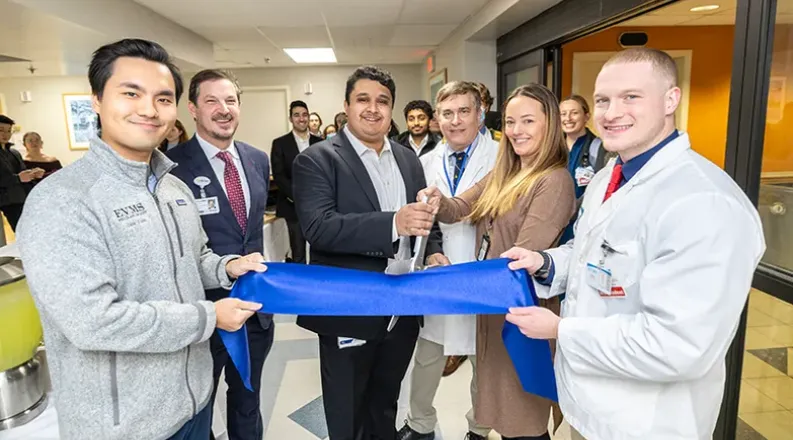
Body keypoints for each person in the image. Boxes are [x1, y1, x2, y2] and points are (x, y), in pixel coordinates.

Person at [502, 48, 766, 440]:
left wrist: (562, 329)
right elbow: (595, 253)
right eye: (603, 100)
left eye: (631, 97)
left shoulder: (703, 202)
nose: (611, 112)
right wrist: (545, 263)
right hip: (590, 409)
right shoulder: (614, 175)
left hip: (648, 421)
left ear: (671, 100)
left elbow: (678, 345)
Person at [16, 38, 267, 440]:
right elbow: (92, 321)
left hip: (194, 407)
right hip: (124, 426)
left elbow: (195, 257)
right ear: (96, 100)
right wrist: (208, 317)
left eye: (162, 98)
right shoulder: (62, 200)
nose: (149, 109)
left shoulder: (173, 188)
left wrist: (226, 266)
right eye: (131, 93)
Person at [292, 65, 447, 440]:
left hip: (402, 309)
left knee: (385, 402)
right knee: (347, 411)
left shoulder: (407, 158)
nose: (373, 109)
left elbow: (425, 217)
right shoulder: (317, 159)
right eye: (363, 99)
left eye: (383, 101)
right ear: (346, 105)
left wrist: (434, 252)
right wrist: (394, 223)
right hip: (350, 309)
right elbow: (319, 227)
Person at [419, 83, 575, 440]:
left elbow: (518, 261)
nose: (517, 130)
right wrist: (435, 199)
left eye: (528, 121)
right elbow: (460, 207)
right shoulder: (507, 173)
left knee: (524, 423)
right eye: (510, 122)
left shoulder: (553, 181)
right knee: (505, 419)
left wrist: (445, 284)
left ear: (549, 124)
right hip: (493, 313)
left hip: (522, 316)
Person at [167, 68, 274, 440]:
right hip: (202, 312)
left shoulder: (257, 158)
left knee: (248, 398)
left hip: (255, 309)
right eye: (211, 100)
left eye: (230, 100)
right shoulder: (170, 166)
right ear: (193, 109)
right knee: (199, 405)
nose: (223, 109)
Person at [397, 81, 498, 440]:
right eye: (447, 113)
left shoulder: (502, 157)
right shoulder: (423, 163)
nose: (456, 121)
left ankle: (480, 426)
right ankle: (420, 423)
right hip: (436, 271)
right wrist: (428, 251)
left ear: (480, 113)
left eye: (464, 111)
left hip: (483, 272)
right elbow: (416, 220)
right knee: (427, 355)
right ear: (437, 119)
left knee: (484, 360)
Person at [271, 100, 323, 264]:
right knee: (298, 250)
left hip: (319, 207)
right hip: (292, 206)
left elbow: (326, 173)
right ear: (290, 118)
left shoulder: (320, 143)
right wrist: (298, 198)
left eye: (304, 114)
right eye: (297, 115)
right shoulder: (280, 143)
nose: (301, 118)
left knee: (320, 249)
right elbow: (279, 176)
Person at [558, 95, 609, 243]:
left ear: (586, 116)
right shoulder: (551, 149)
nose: (568, 118)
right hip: (553, 223)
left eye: (574, 113)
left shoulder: (600, 149)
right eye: (563, 114)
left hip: (581, 225)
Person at [0, 115, 39, 230]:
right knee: (24, 232)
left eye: (8, 131)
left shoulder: (14, 153)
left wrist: (33, 174)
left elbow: (22, 173)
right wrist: (18, 178)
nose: (5, 134)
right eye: (1, 130)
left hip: (24, 197)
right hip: (8, 201)